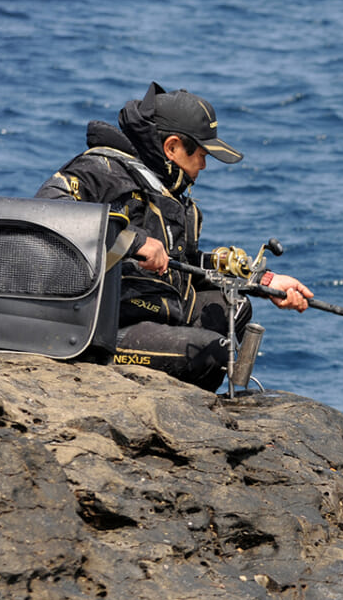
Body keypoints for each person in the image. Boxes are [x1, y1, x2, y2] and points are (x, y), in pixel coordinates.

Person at [36, 81, 312, 390]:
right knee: (212, 351)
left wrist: (264, 282)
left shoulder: (172, 194)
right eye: (202, 154)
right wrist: (135, 241)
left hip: (160, 313)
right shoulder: (98, 170)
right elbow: (48, 214)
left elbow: (183, 265)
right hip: (103, 327)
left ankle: (179, 397)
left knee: (236, 307)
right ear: (172, 147)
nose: (205, 165)